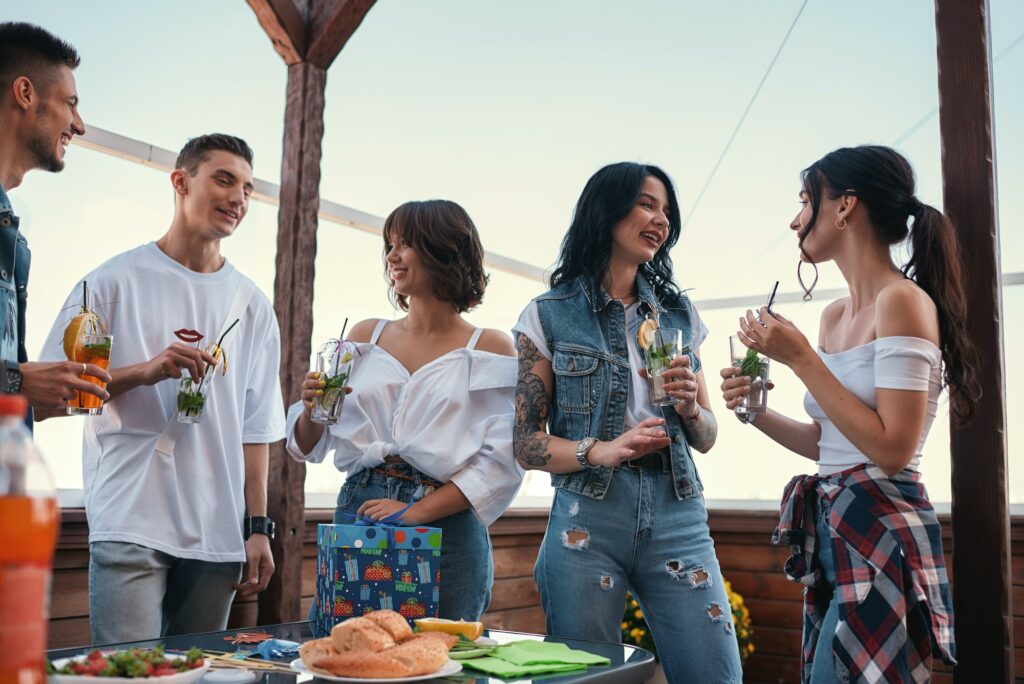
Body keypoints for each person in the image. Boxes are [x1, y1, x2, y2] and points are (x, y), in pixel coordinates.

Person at [719, 145, 975, 682]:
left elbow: (891, 449)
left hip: (883, 532)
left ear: (844, 207)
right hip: (835, 530)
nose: (794, 221)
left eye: (805, 201)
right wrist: (753, 409)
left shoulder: (902, 301)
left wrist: (800, 360)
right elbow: (827, 443)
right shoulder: (835, 316)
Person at [38, 134, 285, 643]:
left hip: (217, 532)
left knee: (197, 678)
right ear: (180, 181)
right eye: (223, 179)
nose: (238, 197)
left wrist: (258, 527)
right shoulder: (110, 283)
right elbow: (47, 397)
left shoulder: (253, 305)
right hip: (130, 518)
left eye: (247, 187)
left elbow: (256, 429)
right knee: (128, 676)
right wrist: (144, 372)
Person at [513, 162, 742, 684]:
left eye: (665, 210)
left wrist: (689, 409)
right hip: (587, 515)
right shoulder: (547, 314)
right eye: (646, 204)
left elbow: (706, 436)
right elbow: (525, 444)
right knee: (587, 679)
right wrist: (602, 450)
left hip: (677, 510)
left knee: (717, 674)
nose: (660, 220)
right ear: (607, 211)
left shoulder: (680, 314)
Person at [286, 199, 522, 621]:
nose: (391, 256)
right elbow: (307, 443)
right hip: (362, 505)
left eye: (405, 244)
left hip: (446, 520)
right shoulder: (363, 336)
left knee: (443, 658)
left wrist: (414, 512)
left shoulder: (491, 347)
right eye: (389, 245)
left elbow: (501, 463)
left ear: (444, 250)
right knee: (345, 650)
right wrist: (308, 410)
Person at [0, 22, 108, 415]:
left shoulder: (12, 238)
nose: (78, 124)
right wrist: (19, 380)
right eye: (71, 103)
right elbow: (12, 381)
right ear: (25, 93)